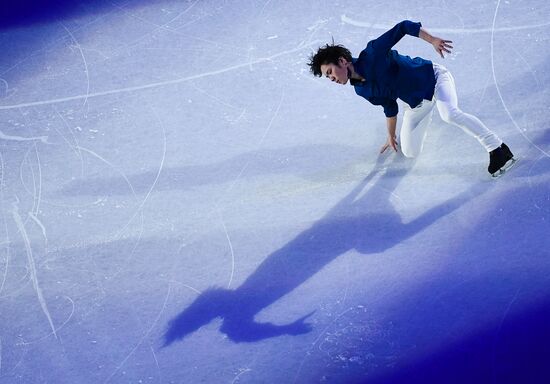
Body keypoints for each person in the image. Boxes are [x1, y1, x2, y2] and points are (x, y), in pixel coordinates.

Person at [308, 20, 515, 177]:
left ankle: (497, 148)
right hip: (415, 105)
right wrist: (390, 135)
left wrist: (433, 40)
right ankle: (431, 110)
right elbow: (389, 107)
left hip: (435, 79)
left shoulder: (373, 54)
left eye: (329, 72)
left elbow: (404, 26)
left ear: (343, 61)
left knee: (449, 114)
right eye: (327, 77)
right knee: (409, 152)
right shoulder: (361, 90)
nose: (331, 79)